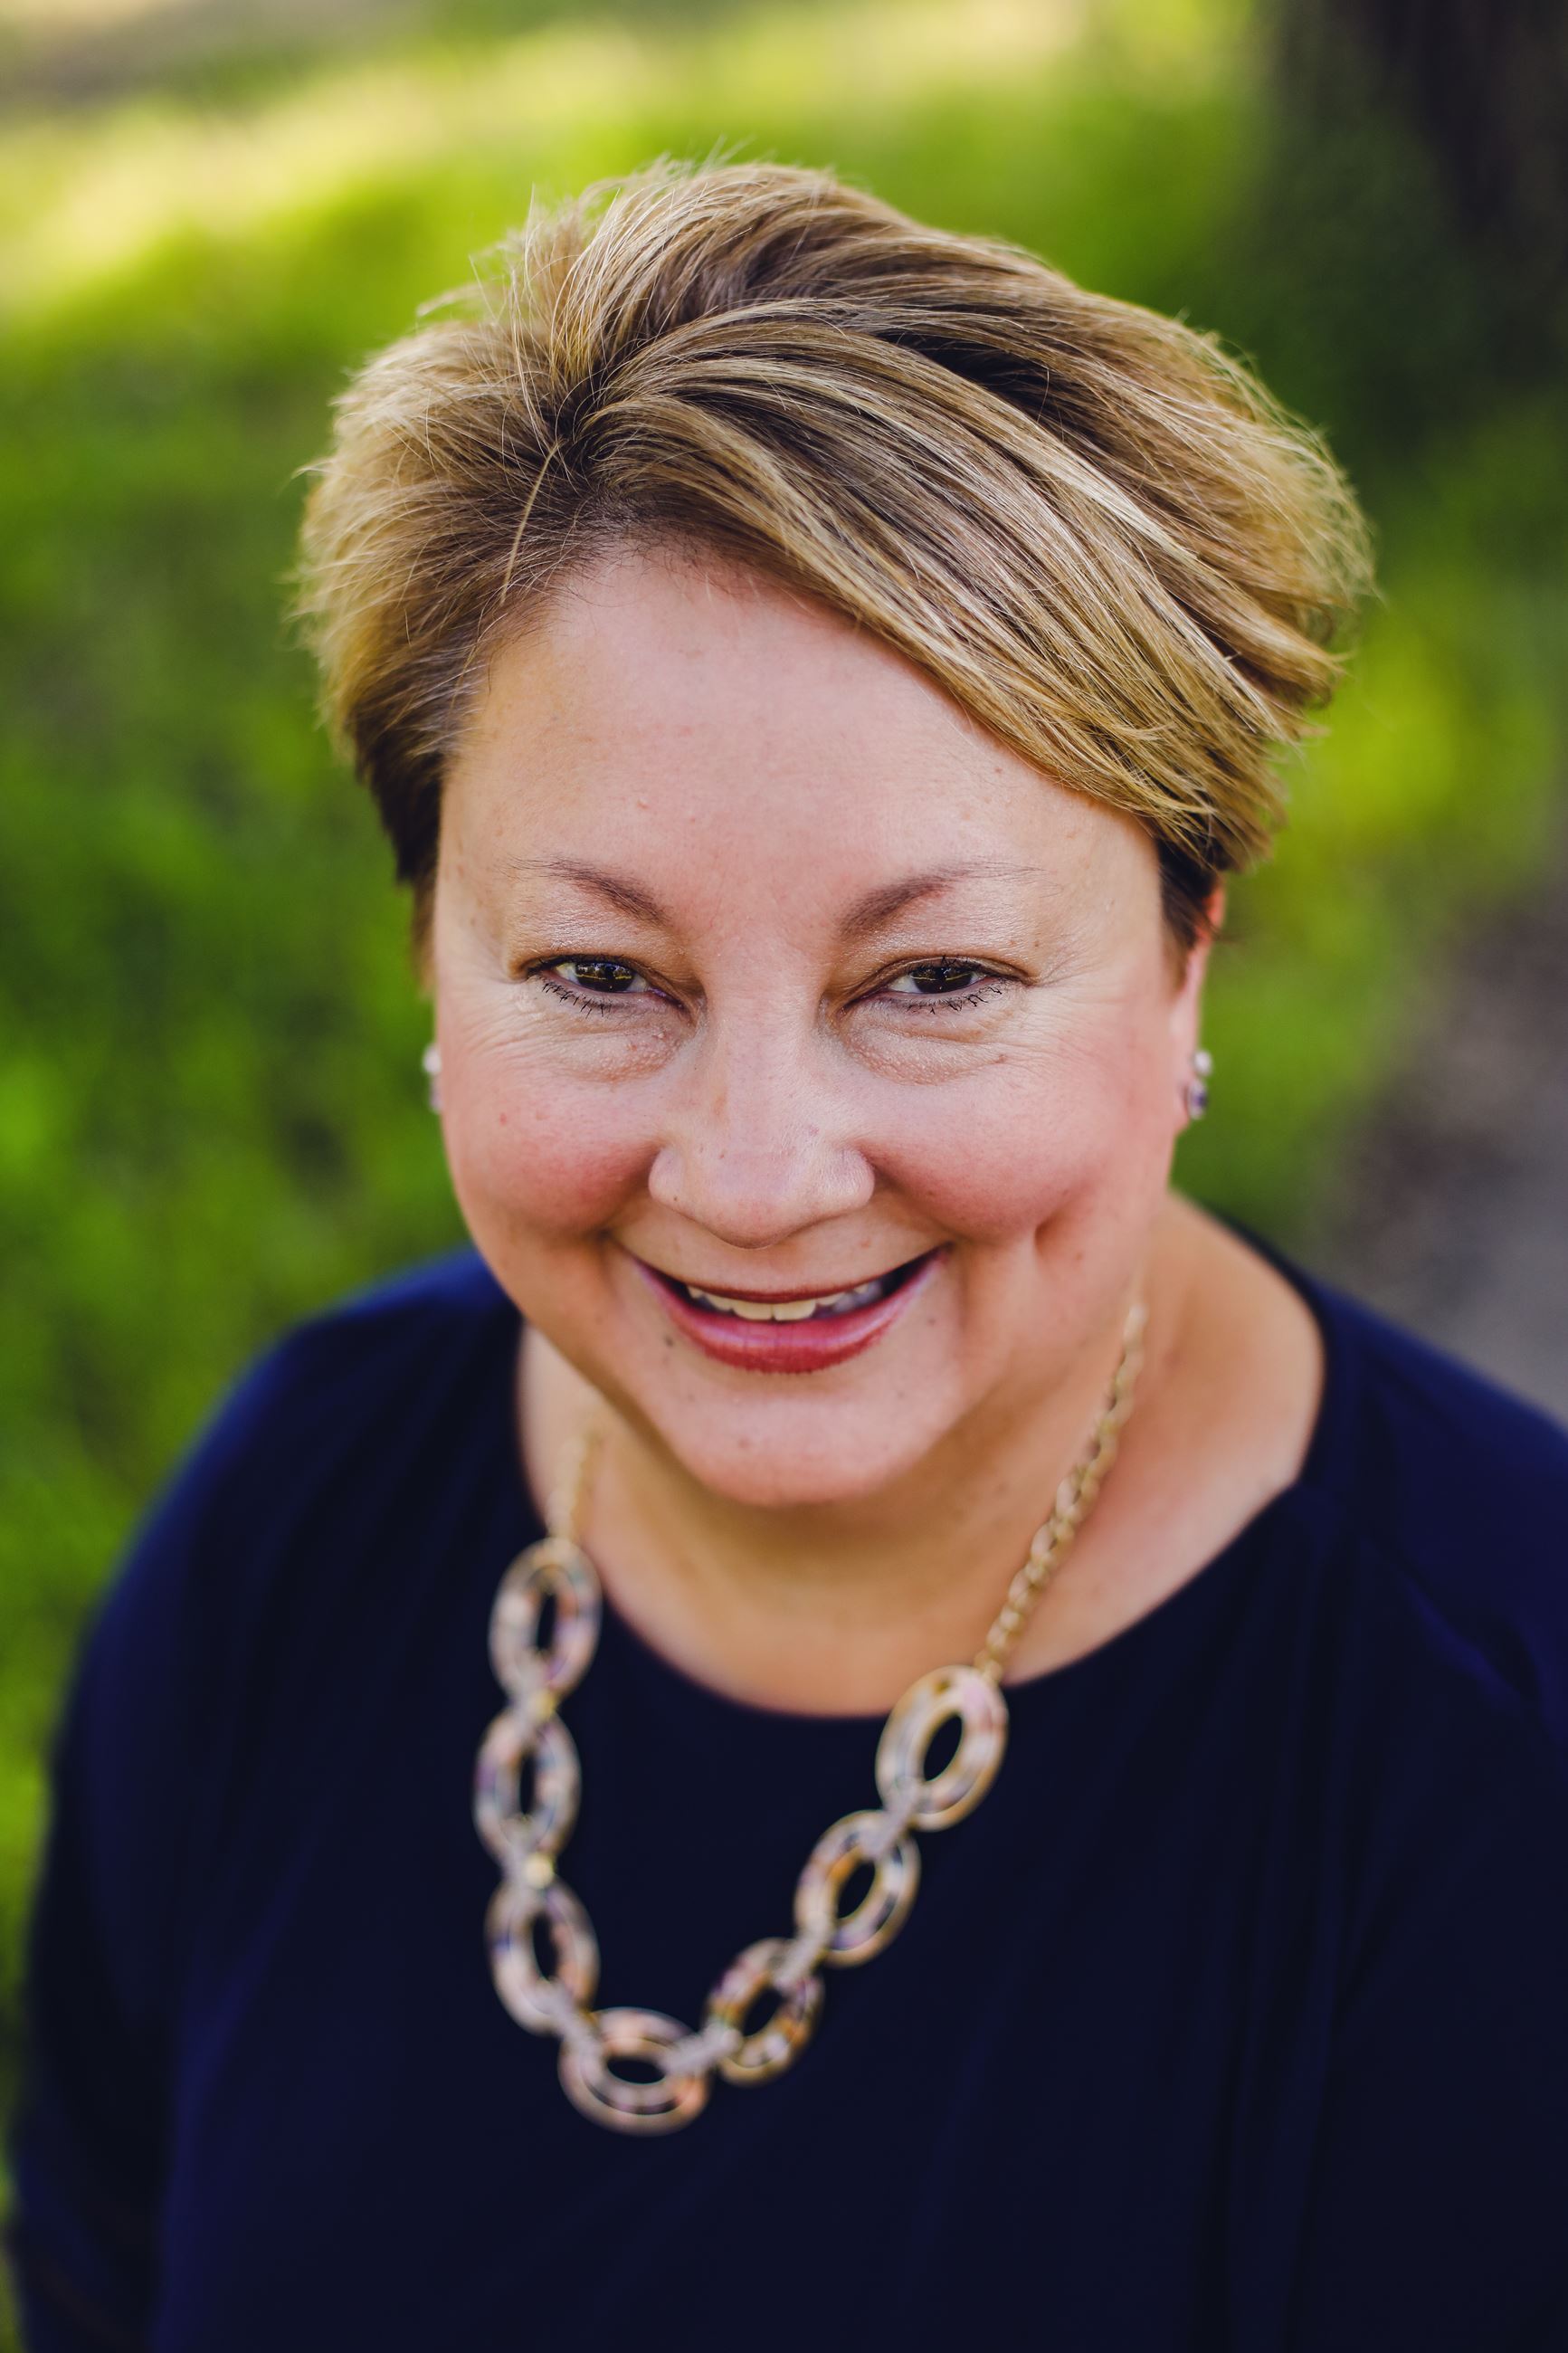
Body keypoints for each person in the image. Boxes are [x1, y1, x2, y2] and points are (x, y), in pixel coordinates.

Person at [10, 159, 1568, 2352]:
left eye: (931, 978)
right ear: (427, 957)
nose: (752, 1179)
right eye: (597, 971)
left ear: (1192, 953)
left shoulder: (1504, 1782)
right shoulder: (293, 1519)